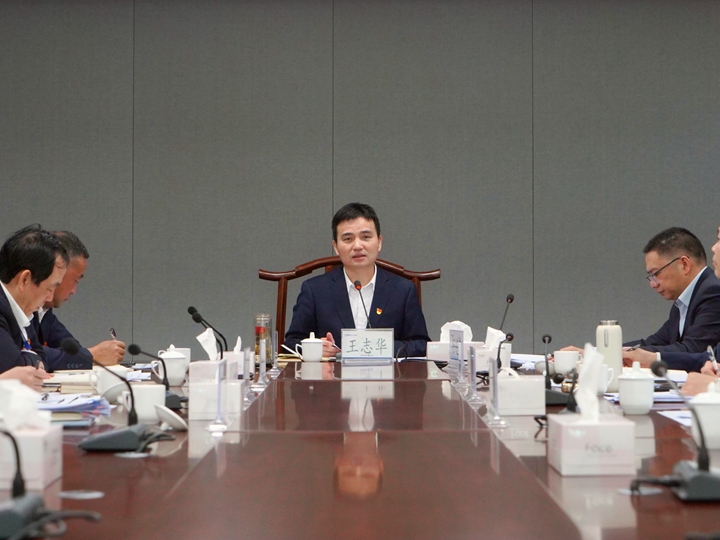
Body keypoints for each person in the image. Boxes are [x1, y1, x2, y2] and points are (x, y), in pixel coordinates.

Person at [284, 203, 431, 358]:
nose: (358, 246)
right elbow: (291, 343)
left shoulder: (402, 290)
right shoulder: (315, 290)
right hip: (332, 373)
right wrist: (313, 348)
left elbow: (420, 344)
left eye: (366, 237)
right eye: (348, 239)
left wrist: (380, 347)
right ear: (336, 247)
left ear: (379, 242)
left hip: (386, 372)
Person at [624, 225, 720, 373]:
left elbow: (694, 350)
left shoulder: (713, 292)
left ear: (684, 265)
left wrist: (651, 358)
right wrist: (609, 351)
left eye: (656, 274)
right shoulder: (683, 300)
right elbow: (656, 342)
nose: (653, 284)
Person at [32, 231, 125, 371]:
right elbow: (29, 355)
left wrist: (90, 355)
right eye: (75, 281)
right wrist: (91, 355)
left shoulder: (44, 313)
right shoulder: (11, 310)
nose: (74, 291)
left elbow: (71, 347)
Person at [0, 225, 68, 375]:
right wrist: (30, 359)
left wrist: (27, 357)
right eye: (49, 289)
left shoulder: (23, 310)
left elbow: (42, 357)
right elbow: (13, 368)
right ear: (24, 280)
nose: (50, 298)